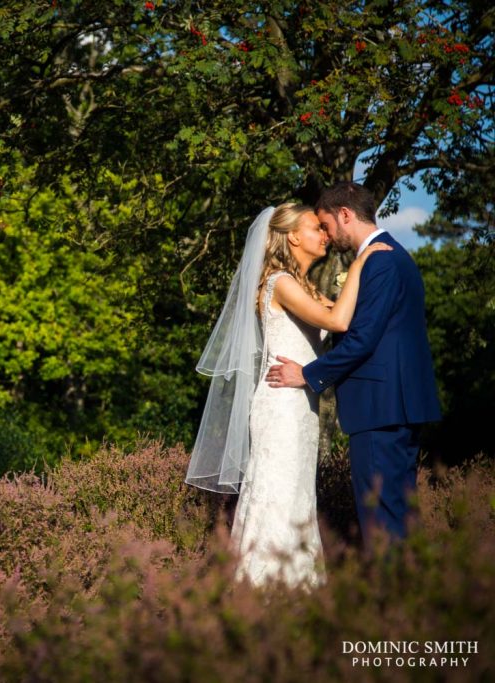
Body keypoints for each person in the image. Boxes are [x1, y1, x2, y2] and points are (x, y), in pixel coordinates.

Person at [186, 202, 390, 588]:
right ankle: (266, 592)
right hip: (280, 406)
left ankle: (296, 589)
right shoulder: (280, 281)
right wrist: (361, 265)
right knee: (277, 496)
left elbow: (347, 319)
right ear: (294, 236)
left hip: (300, 406)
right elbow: (337, 320)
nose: (324, 235)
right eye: (316, 227)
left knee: (297, 498)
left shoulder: (302, 285)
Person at [266, 182, 441, 548]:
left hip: (381, 407)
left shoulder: (380, 261)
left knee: (382, 519)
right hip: (396, 405)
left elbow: (362, 339)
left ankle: (389, 600)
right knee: (397, 513)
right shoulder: (392, 256)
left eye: (326, 225)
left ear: (345, 214)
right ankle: (411, 593)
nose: (327, 235)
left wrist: (308, 375)